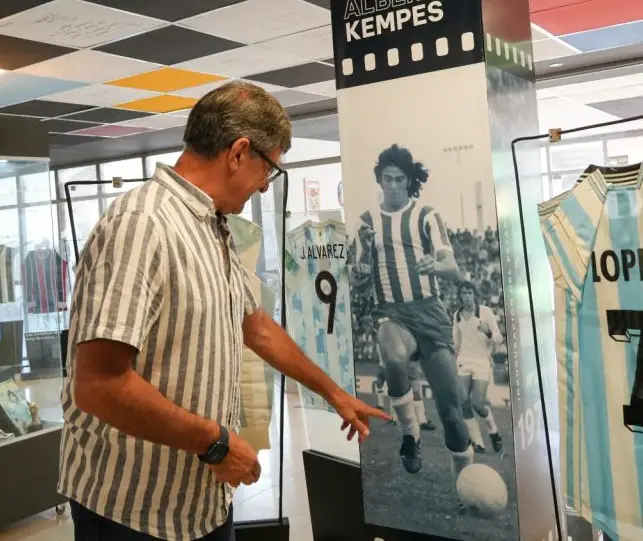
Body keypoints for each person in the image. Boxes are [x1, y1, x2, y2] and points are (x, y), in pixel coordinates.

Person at [58, 81, 389, 541]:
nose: (264, 185)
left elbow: (257, 327)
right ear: (239, 153)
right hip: (132, 509)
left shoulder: (212, 224)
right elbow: (98, 385)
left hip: (200, 502)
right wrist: (214, 443)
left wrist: (334, 393)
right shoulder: (141, 225)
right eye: (268, 169)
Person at [350, 144, 473, 485]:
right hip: (392, 313)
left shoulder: (426, 216)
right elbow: (357, 279)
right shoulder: (366, 223)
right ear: (380, 181)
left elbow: (452, 268)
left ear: (409, 181)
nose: (392, 185)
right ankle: (410, 434)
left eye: (399, 179)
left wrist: (437, 266)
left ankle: (465, 485)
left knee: (451, 412)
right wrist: (361, 264)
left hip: (430, 314)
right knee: (393, 356)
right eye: (387, 179)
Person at [453, 281, 503, 453]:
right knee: (463, 401)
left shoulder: (486, 312)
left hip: (481, 361)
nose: (467, 296)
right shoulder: (457, 315)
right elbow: (456, 343)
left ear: (475, 295)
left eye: (469, 293)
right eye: (464, 293)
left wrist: (488, 331)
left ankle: (493, 431)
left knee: (478, 404)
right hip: (464, 361)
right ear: (460, 296)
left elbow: (498, 338)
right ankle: (477, 441)